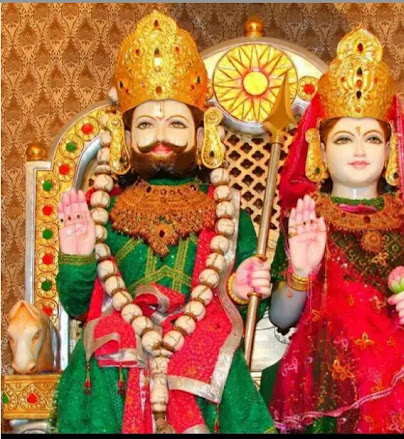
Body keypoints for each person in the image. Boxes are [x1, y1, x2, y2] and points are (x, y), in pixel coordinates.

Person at [53, 11, 274, 434]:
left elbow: (250, 305)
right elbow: (78, 305)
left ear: (201, 134)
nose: (161, 136)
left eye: (175, 123)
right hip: (115, 363)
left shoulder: (227, 212)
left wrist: (239, 286)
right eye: (145, 124)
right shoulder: (104, 211)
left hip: (203, 347)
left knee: (208, 357)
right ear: (124, 137)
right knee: (108, 349)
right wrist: (78, 259)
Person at [261, 27, 404, 433]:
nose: (360, 150)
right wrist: (301, 273)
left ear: (390, 149)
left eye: (373, 138)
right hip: (331, 360)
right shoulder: (307, 217)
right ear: (320, 150)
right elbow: (280, 316)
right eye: (345, 139)